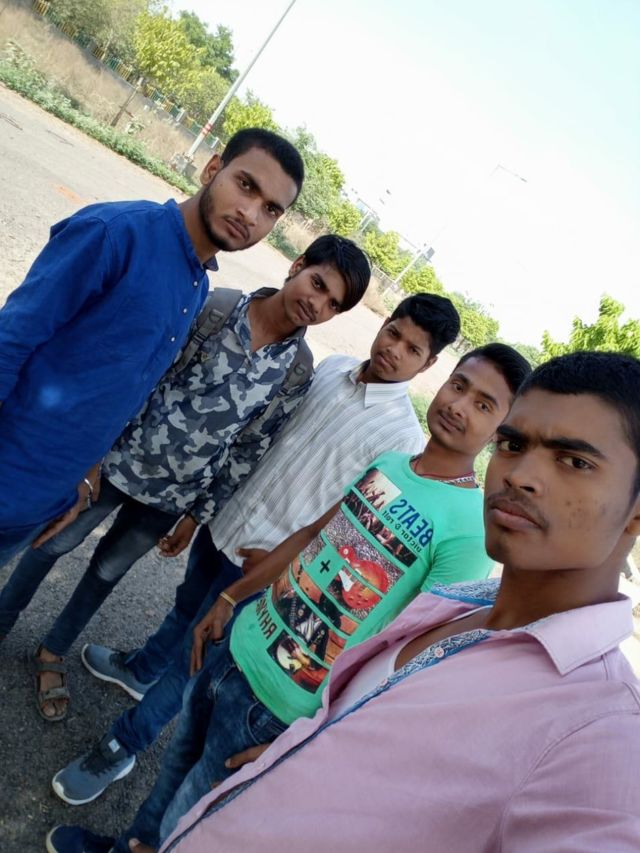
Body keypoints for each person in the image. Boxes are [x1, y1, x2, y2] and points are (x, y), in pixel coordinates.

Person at [49, 351, 640, 853]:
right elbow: (314, 537)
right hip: (242, 646)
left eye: (575, 461)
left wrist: (308, 741)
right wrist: (231, 598)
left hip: (278, 709)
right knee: (167, 788)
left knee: (195, 813)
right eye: (460, 387)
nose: (523, 475)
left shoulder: (598, 726)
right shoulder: (401, 483)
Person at [52, 292, 459, 804]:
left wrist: (284, 565)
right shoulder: (332, 368)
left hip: (267, 561)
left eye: (413, 349)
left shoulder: (401, 438)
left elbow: (347, 524)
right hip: (229, 522)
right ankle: (140, 670)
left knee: (197, 656)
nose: (394, 350)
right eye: (393, 332)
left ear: (429, 364)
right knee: (184, 608)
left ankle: (124, 744)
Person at [0, 235, 370, 721]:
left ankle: (53, 652)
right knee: (52, 543)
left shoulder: (297, 371)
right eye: (317, 284)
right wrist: (92, 454)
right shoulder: (218, 308)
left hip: (169, 498)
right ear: (298, 264)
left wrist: (198, 515)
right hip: (116, 461)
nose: (317, 304)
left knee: (106, 572)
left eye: (333, 304)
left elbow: (247, 448)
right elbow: (144, 376)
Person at [0, 127, 304, 567]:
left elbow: (121, 389)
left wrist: (81, 477)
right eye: (245, 184)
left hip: (41, 499)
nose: (250, 213)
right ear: (212, 169)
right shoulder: (116, 234)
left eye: (271, 208)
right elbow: (11, 340)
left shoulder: (197, 287)